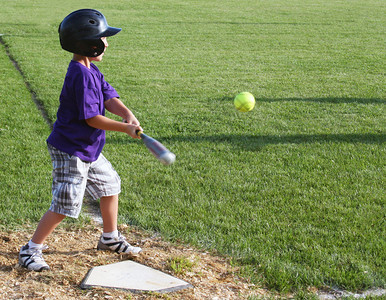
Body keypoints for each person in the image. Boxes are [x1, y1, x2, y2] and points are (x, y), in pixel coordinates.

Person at [19, 9, 143, 271]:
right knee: (66, 202)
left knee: (110, 185)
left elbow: (108, 96)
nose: (106, 43)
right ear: (88, 44)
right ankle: (31, 250)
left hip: (89, 147)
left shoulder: (91, 69)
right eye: (103, 39)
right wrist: (125, 130)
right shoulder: (80, 75)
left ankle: (109, 238)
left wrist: (127, 114)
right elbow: (92, 119)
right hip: (71, 149)